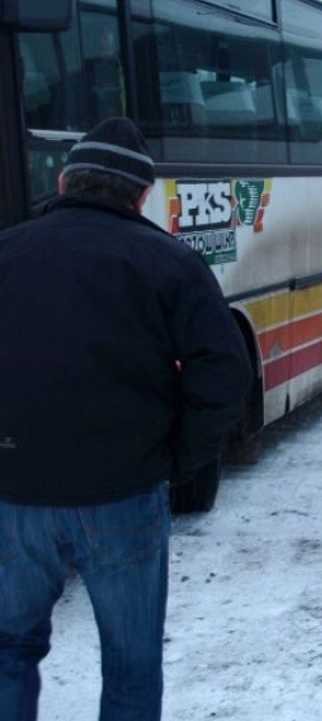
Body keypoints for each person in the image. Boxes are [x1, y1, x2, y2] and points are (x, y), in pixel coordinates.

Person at [0, 117, 253, 721]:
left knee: (10, 647)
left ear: (64, 180)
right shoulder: (170, 262)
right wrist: (181, 460)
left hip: (14, 494)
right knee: (131, 662)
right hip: (124, 493)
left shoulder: (6, 251)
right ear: (142, 196)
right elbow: (225, 373)